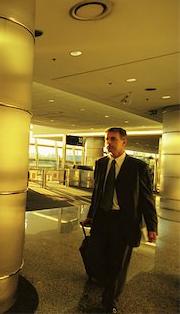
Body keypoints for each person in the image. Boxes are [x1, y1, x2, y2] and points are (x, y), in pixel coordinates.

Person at [81, 127, 158, 314]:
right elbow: (97, 194)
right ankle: (103, 280)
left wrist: (151, 226)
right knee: (95, 255)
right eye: (107, 139)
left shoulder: (138, 167)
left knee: (118, 264)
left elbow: (147, 199)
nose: (109, 143)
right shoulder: (100, 164)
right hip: (102, 219)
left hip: (124, 222)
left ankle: (109, 302)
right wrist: (91, 215)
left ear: (124, 142)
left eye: (113, 139)